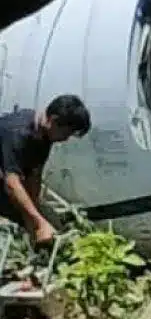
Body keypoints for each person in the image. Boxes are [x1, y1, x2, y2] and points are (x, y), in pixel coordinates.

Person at [0, 95, 91, 246]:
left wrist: (32, 220)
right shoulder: (18, 133)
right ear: (53, 121)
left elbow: (34, 176)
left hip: (7, 177)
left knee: (22, 215)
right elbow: (11, 183)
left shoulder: (44, 136)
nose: (66, 139)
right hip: (6, 178)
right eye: (66, 134)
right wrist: (40, 222)